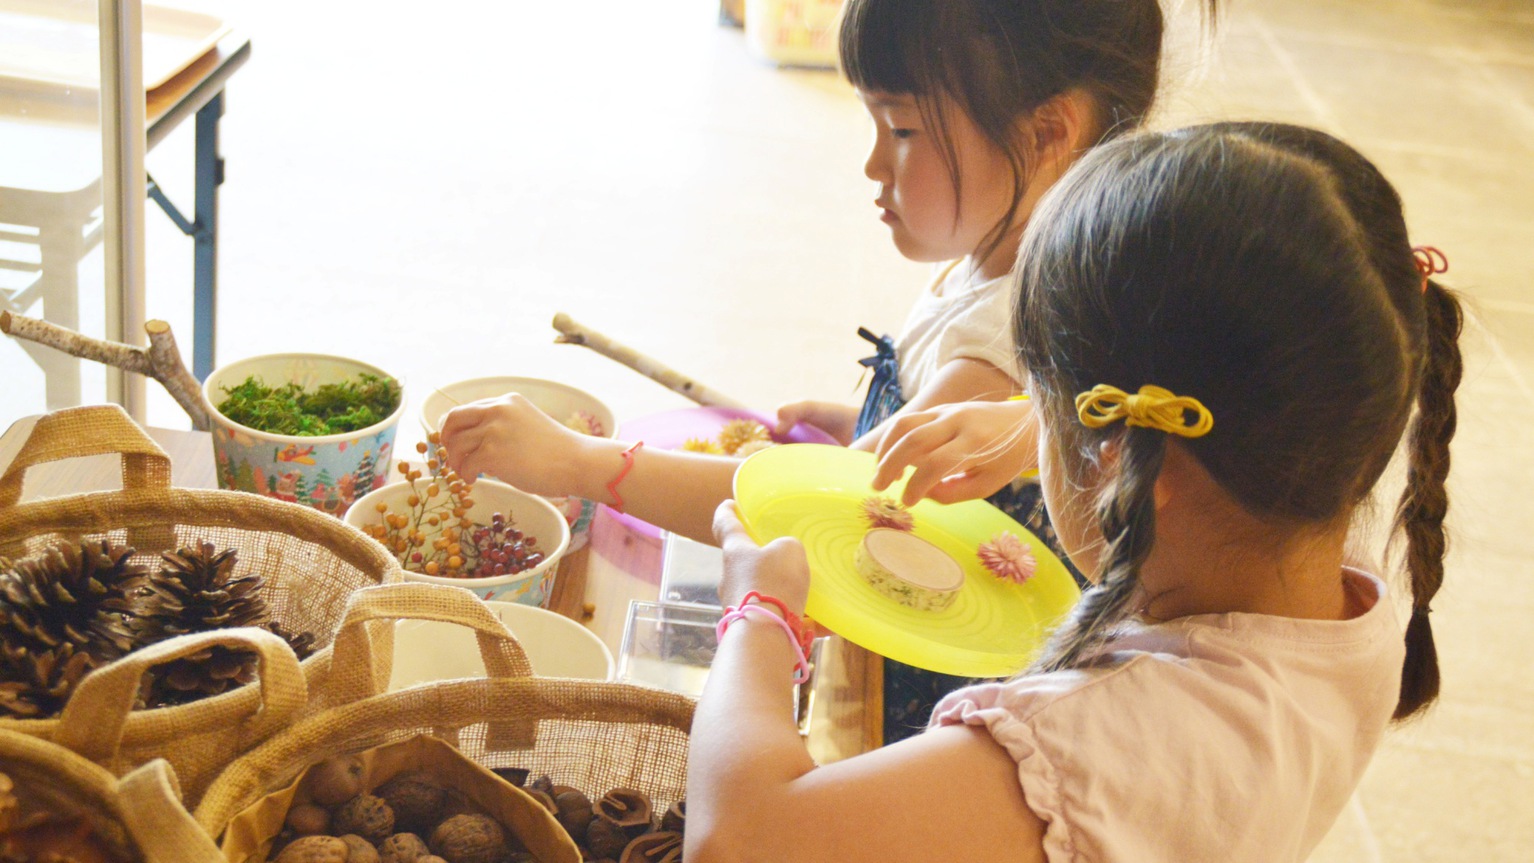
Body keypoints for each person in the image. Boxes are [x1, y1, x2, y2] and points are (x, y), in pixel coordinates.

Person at [683, 121, 1464, 863]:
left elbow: (739, 840)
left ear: (1133, 466)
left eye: (1047, 403)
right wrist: (1047, 427)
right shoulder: (1334, 586)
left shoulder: (1088, 744)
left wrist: (759, 614)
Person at [443, 0, 1217, 741]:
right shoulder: (1002, 254)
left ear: (1050, 131)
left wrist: (578, 461)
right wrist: (872, 426)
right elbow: (941, 434)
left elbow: (831, 522)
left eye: (904, 128)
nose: (874, 162)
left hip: (929, 685)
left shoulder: (1008, 334)